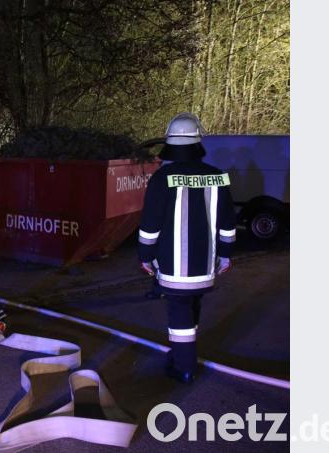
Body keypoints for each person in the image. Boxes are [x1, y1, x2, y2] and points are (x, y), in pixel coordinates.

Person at [138, 112, 236, 384]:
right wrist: (226, 255)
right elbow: (229, 224)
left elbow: (150, 226)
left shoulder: (162, 178)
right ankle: (185, 352)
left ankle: (183, 366)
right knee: (192, 304)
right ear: (197, 142)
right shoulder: (219, 177)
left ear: (170, 144)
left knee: (179, 310)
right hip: (205, 265)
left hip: (173, 267)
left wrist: (145, 256)